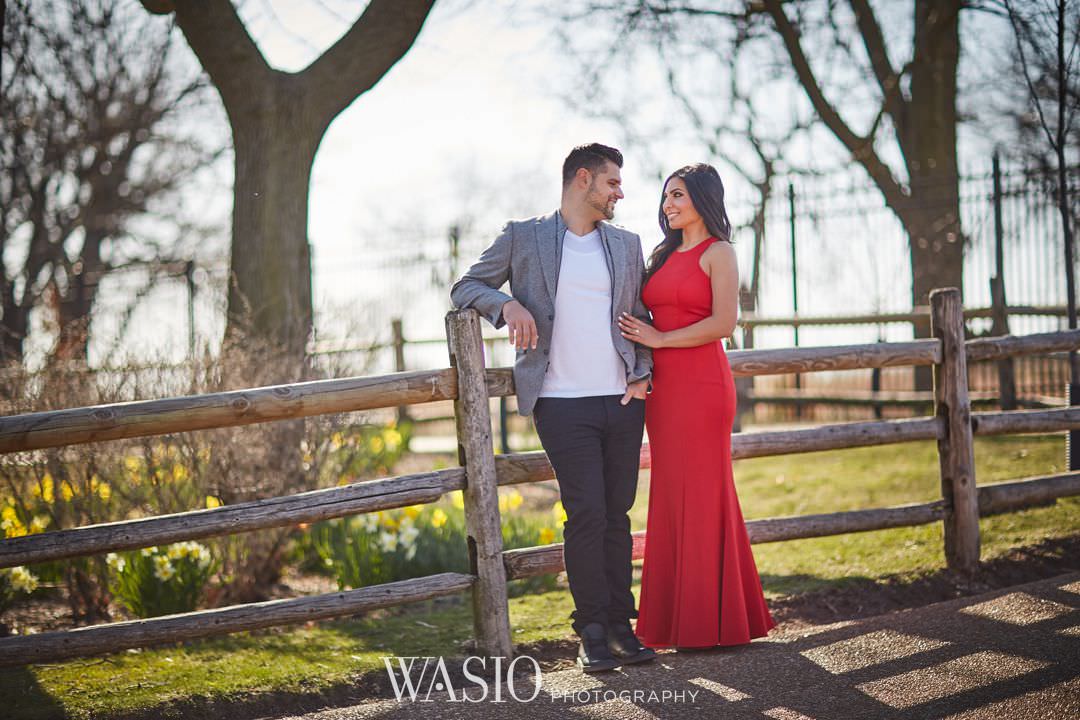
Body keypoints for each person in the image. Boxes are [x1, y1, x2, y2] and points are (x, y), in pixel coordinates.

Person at [450, 143, 657, 672]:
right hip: (562, 404)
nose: (620, 193)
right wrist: (508, 303)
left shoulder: (627, 244)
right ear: (582, 180)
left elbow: (640, 316)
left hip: (622, 400)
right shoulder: (524, 236)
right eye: (612, 183)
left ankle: (620, 626)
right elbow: (466, 285)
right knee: (586, 513)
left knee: (617, 515)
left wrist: (643, 375)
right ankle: (590, 630)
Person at [617, 163, 776, 649]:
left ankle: (715, 622)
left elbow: (723, 323)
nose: (668, 205)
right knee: (669, 494)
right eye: (666, 197)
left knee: (705, 495)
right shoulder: (662, 256)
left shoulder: (719, 252)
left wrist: (661, 339)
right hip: (664, 393)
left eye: (678, 195)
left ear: (703, 199)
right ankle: (675, 623)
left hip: (704, 386)